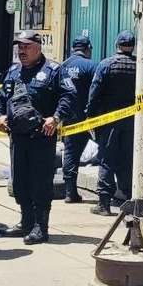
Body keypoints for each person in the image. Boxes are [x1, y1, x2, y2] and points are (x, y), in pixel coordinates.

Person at [0, 30, 74, 244]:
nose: (21, 50)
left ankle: (41, 226)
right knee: (20, 181)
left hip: (41, 137)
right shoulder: (13, 72)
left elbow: (69, 96)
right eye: (19, 47)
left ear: (38, 47)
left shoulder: (54, 70)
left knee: (40, 182)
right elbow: (1, 100)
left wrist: (56, 118)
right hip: (18, 138)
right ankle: (26, 222)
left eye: (26, 46)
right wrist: (0, 116)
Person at [85, 31, 143, 215]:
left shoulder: (106, 64)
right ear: (133, 46)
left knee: (107, 160)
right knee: (127, 160)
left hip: (109, 121)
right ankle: (130, 200)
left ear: (117, 44)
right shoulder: (141, 66)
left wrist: (91, 117)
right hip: (134, 122)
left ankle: (104, 204)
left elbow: (94, 93)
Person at [56, 35, 97, 203]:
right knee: (108, 153)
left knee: (71, 154)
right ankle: (107, 197)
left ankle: (70, 192)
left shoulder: (62, 67)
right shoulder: (92, 66)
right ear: (87, 48)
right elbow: (98, 90)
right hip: (92, 119)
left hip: (69, 118)